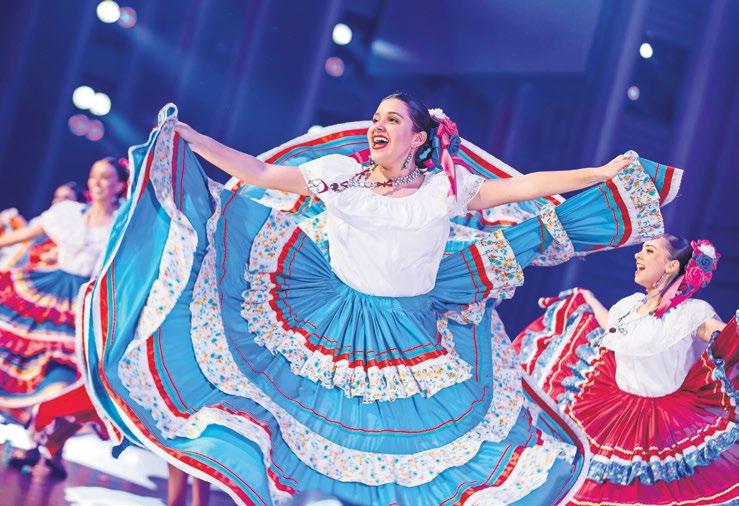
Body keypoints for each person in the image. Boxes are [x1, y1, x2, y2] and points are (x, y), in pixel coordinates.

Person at [79, 94, 682, 505]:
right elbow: (259, 175)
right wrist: (190, 138)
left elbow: (525, 186)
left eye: (392, 119)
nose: (378, 125)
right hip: (331, 316)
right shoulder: (340, 173)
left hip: (407, 331)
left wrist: (595, 174)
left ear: (417, 137)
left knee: (401, 454)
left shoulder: (447, 187)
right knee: (298, 429)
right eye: (376, 116)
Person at [514, 235, 737, 505]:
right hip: (613, 410)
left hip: (665, 425)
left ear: (670, 266)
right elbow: (610, 325)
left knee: (651, 494)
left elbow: (727, 337)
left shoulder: (692, 313)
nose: (637, 255)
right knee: (586, 483)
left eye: (649, 251)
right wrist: (588, 299)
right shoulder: (629, 306)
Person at [0, 158, 127, 477]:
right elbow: (23, 235)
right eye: (94, 177)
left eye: (106, 178)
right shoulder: (69, 215)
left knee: (69, 379)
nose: (98, 183)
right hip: (51, 294)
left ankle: (49, 444)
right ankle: (39, 445)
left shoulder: (123, 223)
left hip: (87, 305)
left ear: (119, 185)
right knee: (39, 366)